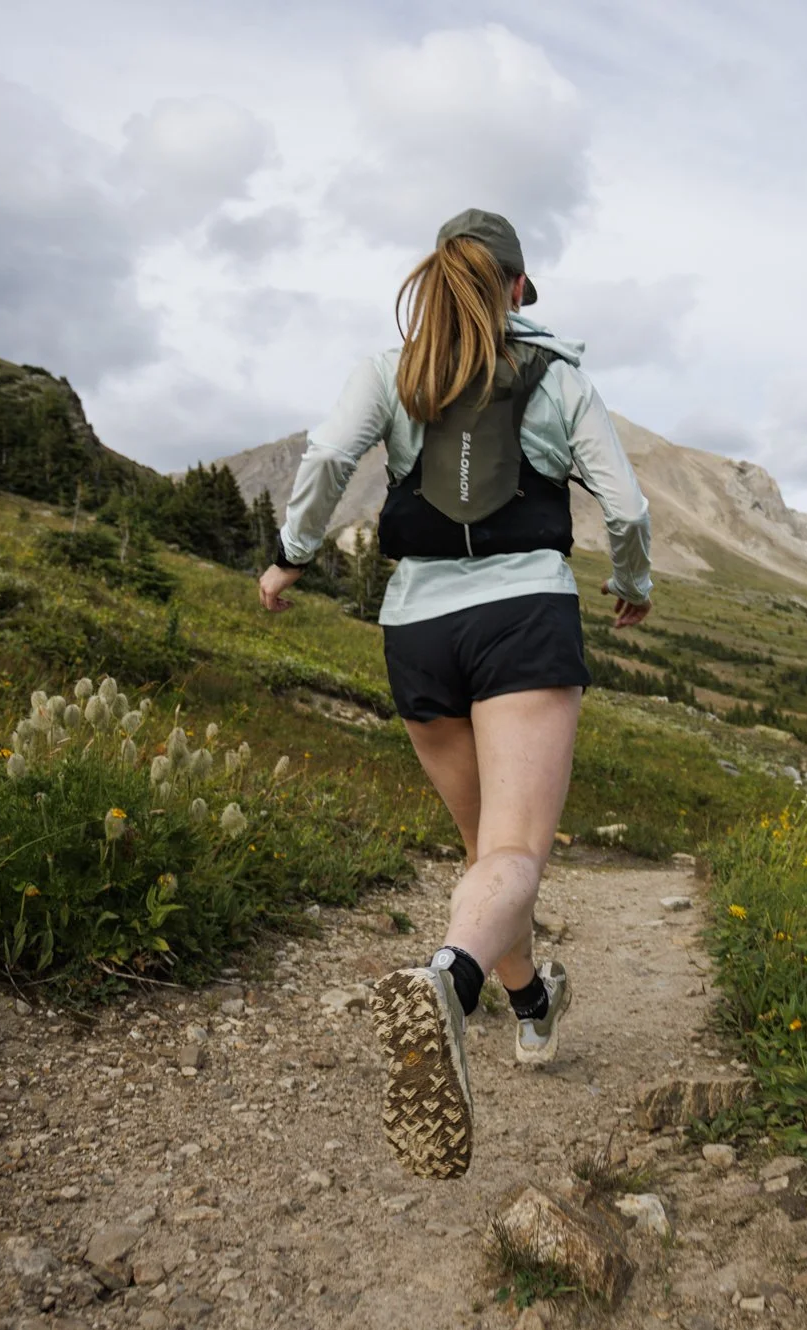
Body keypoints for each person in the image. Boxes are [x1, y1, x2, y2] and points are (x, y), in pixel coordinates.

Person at [257, 209, 652, 1180]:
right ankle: (450, 979)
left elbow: (325, 465)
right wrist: (631, 585)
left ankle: (529, 1005)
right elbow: (628, 507)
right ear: (516, 291)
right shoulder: (557, 377)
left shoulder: (388, 374)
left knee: (487, 853)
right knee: (515, 853)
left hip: (416, 629)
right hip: (524, 619)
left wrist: (290, 557)